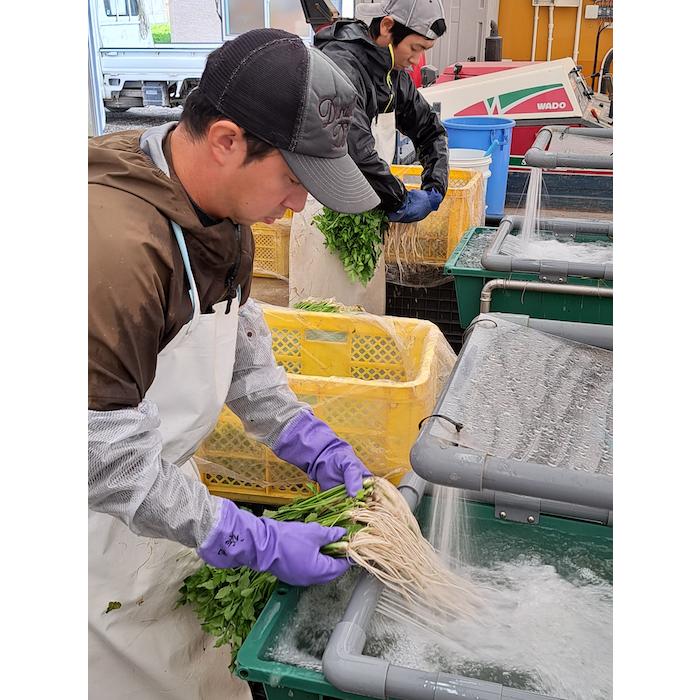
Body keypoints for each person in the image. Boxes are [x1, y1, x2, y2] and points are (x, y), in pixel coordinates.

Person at [88, 28, 379, 699]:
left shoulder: (220, 208)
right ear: (226, 140)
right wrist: (252, 538)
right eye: (293, 178)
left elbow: (244, 360)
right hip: (91, 540)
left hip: (168, 510)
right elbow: (103, 457)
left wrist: (310, 442)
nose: (299, 204)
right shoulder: (113, 249)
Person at [315, 0, 450, 224]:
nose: (416, 62)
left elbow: (430, 130)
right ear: (387, 26)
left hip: (371, 205)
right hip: (326, 212)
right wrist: (399, 200)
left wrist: (435, 186)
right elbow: (356, 151)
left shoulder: (393, 74)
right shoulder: (342, 66)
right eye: (415, 48)